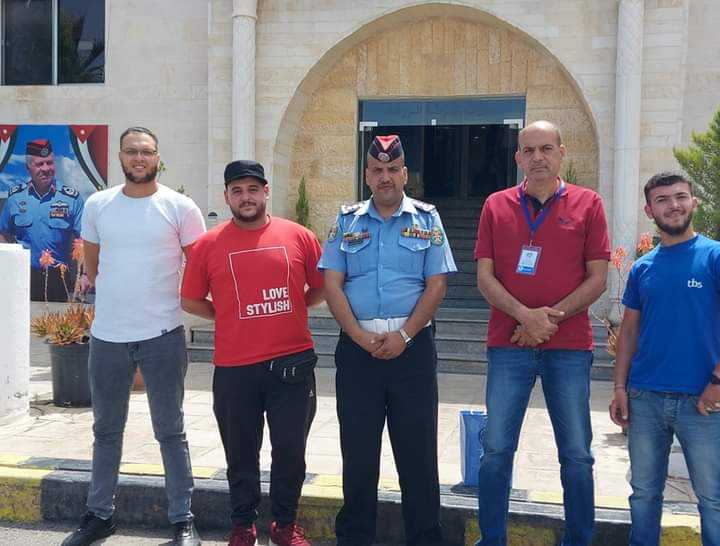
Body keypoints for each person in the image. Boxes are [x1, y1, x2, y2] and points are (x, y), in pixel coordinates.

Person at [61, 127, 205, 546]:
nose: (139, 158)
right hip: (108, 337)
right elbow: (94, 265)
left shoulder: (180, 207)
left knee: (170, 431)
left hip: (163, 335)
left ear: (158, 157)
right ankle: (99, 516)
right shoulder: (98, 205)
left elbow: (198, 268)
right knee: (106, 431)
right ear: (120, 157)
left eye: (146, 151)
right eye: (131, 151)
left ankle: (183, 520)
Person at [474, 120, 610, 546]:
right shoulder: (495, 205)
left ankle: (579, 540)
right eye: (529, 150)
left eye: (546, 148)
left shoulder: (589, 204)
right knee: (496, 450)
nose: (538, 158)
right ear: (518, 157)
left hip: (568, 348)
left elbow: (598, 278)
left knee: (577, 454)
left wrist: (546, 320)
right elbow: (484, 277)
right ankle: (492, 539)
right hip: (508, 344)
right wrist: (523, 315)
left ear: (561, 153)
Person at [319, 134, 457, 546]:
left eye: (392, 169)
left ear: (405, 174)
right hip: (357, 351)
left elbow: (436, 285)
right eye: (377, 170)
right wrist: (359, 336)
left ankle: (425, 539)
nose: (385, 177)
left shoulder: (427, 220)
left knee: (418, 454)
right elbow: (332, 284)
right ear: (366, 175)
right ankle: (354, 538)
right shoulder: (346, 221)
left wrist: (404, 335)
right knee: (358, 454)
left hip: (412, 351)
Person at [181, 160, 324, 546]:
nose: (246, 197)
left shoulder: (299, 236)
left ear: (266, 192)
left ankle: (284, 525)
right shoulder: (208, 245)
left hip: (292, 363)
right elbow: (190, 299)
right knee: (241, 453)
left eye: (253, 189)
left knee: (290, 451)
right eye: (237, 191)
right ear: (227, 196)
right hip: (235, 367)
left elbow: (322, 286)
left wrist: (296, 306)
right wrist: (225, 314)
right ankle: (243, 526)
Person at [609, 172, 720, 546]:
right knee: (643, 494)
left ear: (693, 202)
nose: (673, 205)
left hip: (703, 401)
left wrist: (717, 382)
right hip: (646, 398)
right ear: (649, 210)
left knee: (713, 499)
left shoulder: (715, 256)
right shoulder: (643, 267)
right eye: (662, 200)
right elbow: (628, 332)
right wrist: (620, 387)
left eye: (680, 196)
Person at [0, 139, 83, 301]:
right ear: (28, 167)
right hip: (23, 275)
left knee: (58, 317)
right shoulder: (15, 198)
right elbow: (2, 233)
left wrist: (84, 275)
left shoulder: (71, 199)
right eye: (39, 164)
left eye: (49, 163)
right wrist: (6, 265)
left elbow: (85, 239)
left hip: (59, 278)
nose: (46, 169)